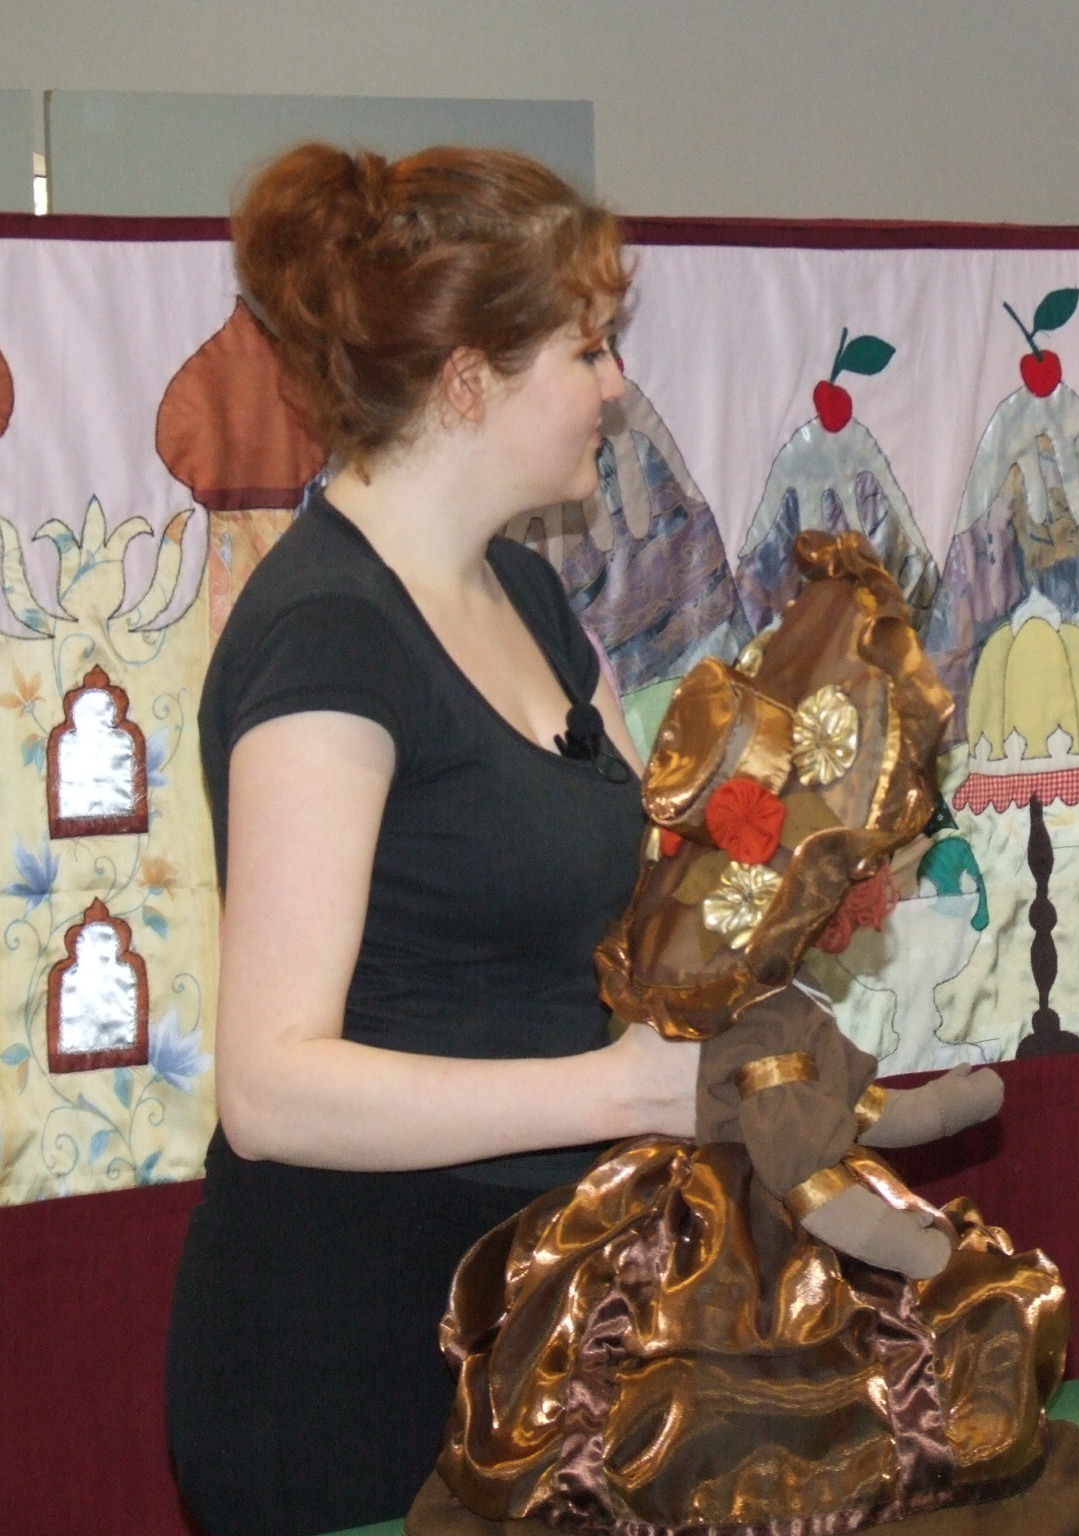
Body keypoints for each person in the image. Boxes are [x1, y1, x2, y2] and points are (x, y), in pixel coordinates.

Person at [165, 144, 703, 1536]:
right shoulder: (329, 638)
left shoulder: (527, 596)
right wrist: (618, 1093)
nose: (615, 386)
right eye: (586, 349)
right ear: (469, 379)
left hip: (540, 1319)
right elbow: (272, 1092)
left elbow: (644, 897)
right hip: (351, 1359)